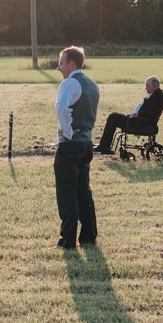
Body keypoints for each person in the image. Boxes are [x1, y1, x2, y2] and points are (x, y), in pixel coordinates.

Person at [53, 45, 100, 249]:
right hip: (87, 144)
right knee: (83, 191)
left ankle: (68, 240)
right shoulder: (92, 84)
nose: (59, 68)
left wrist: (67, 131)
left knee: (67, 193)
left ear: (72, 63)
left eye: (61, 63)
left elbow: (61, 107)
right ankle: (89, 236)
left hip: (70, 147)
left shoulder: (69, 83)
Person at [95, 76, 163, 155]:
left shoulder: (158, 96)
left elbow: (152, 114)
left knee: (113, 117)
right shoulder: (156, 95)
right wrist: (134, 114)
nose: (145, 88)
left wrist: (138, 114)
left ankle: (104, 146)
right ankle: (104, 145)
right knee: (113, 116)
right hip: (140, 120)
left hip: (141, 123)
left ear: (155, 85)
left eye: (148, 86)